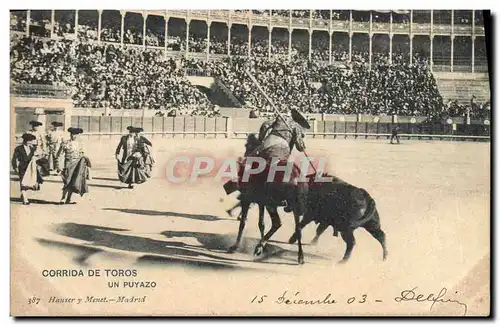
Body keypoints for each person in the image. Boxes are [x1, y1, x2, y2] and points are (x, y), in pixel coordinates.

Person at [57, 127, 91, 204]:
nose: (73, 136)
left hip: (77, 165)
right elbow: (59, 155)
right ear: (70, 134)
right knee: (67, 181)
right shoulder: (65, 143)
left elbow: (82, 155)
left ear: (78, 135)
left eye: (75, 134)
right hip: (68, 164)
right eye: (72, 134)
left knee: (73, 182)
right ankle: (63, 198)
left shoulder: (80, 144)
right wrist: (59, 166)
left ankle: (68, 199)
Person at [11, 133, 43, 205]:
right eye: (29, 141)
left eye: (31, 141)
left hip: (30, 168)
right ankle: (25, 200)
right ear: (25, 141)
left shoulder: (32, 148)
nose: (31, 142)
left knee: (28, 182)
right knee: (22, 182)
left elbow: (34, 158)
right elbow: (14, 159)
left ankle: (23, 195)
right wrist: (15, 167)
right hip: (22, 167)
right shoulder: (19, 148)